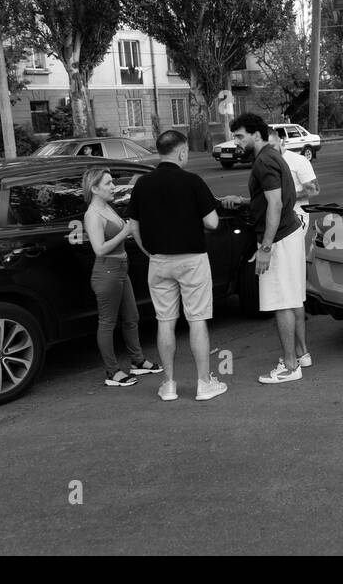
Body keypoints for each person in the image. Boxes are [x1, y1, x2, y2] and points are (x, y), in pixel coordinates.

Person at [127, 130, 226, 402]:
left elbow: (133, 225)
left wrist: (149, 250)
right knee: (197, 321)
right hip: (192, 259)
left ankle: (168, 384)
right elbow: (213, 223)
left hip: (158, 261)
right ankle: (204, 384)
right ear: (182, 152)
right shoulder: (192, 181)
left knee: (165, 322)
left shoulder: (142, 184)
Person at [218, 113, 304, 385]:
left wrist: (265, 247)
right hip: (287, 234)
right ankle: (297, 358)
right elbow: (269, 200)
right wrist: (245, 201)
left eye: (240, 136)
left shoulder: (264, 161)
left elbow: (275, 205)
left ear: (257, 134)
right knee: (289, 300)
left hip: (277, 238)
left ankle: (290, 367)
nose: (236, 141)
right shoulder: (273, 156)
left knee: (281, 303)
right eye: (234, 136)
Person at [82, 167, 162, 388]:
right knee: (107, 323)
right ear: (95, 188)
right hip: (106, 271)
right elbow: (99, 249)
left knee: (131, 317)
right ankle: (113, 371)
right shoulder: (93, 214)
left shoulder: (106, 207)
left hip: (120, 269)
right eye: (108, 183)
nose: (113, 187)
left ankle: (137, 360)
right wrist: (124, 232)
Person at [269, 127, 319, 367]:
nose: (270, 150)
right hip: (277, 223)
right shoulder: (265, 162)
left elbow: (314, 189)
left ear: (282, 141)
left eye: (273, 144)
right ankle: (301, 351)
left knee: (290, 288)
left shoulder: (297, 160)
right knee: (289, 286)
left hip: (296, 220)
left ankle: (297, 354)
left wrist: (285, 196)